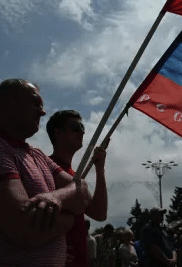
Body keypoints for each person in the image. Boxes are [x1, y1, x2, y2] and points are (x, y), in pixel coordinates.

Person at [0, 79, 94, 266]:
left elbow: (83, 191)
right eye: (35, 103)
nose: (43, 111)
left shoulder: (38, 155)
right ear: (8, 103)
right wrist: (70, 219)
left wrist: (55, 198)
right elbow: (25, 230)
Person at [46, 110, 108, 267]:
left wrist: (99, 169)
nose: (81, 131)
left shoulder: (75, 176)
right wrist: (46, 249)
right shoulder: (44, 167)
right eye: (75, 126)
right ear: (57, 132)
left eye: (82, 126)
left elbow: (99, 213)